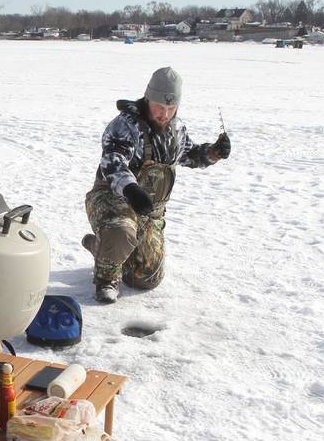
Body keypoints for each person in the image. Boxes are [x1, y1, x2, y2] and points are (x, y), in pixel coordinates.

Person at [83, 66, 231, 303]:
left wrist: (213, 153)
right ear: (147, 98)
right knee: (121, 230)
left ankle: (102, 248)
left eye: (171, 108)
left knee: (146, 278)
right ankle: (106, 277)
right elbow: (113, 162)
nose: (165, 114)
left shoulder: (176, 129)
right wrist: (131, 189)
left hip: (149, 211)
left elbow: (190, 155)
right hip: (113, 200)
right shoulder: (125, 125)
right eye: (159, 107)